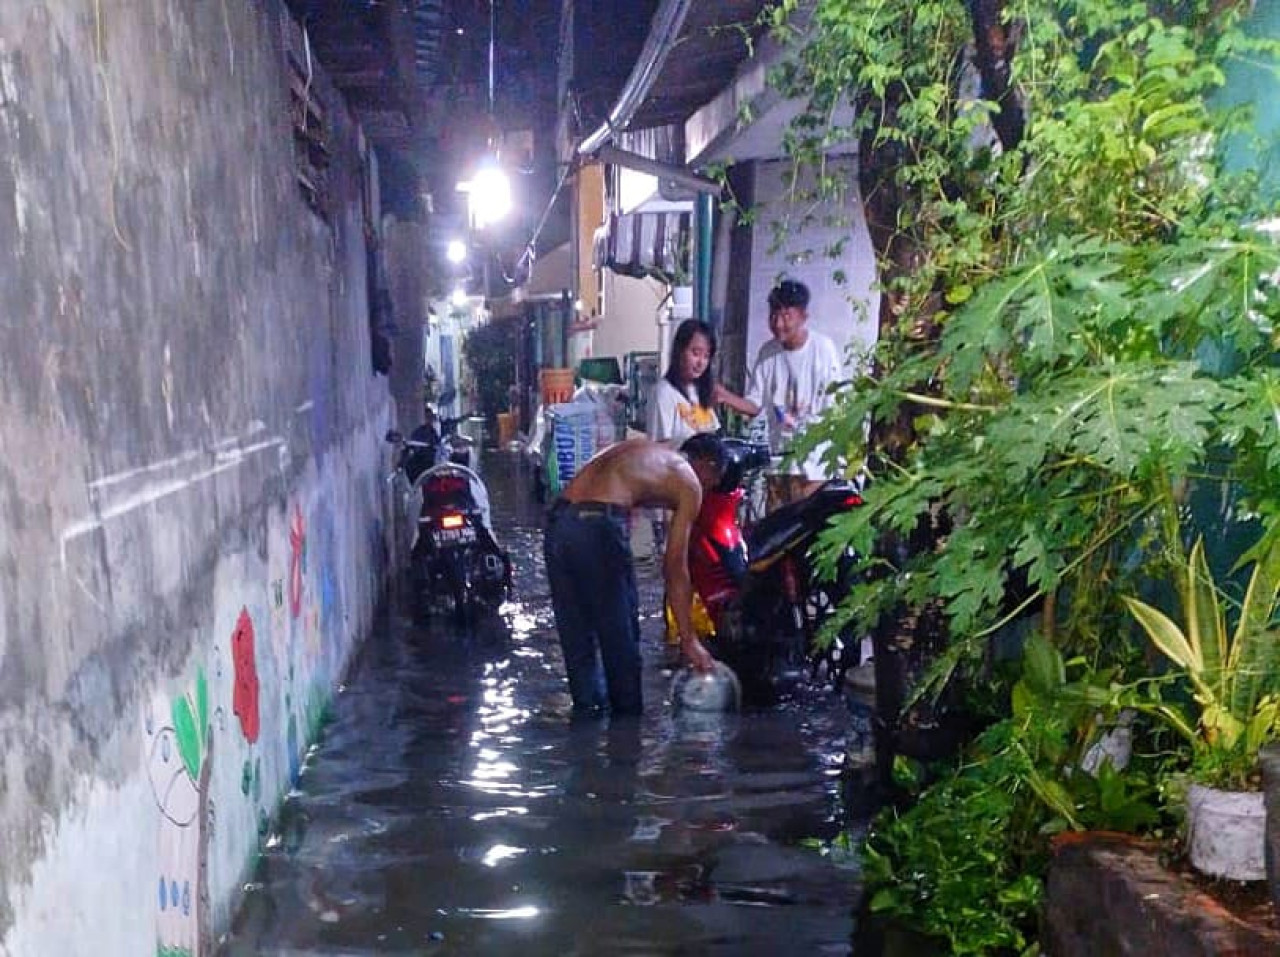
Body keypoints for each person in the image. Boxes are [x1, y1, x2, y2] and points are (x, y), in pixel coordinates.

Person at [543, 435, 725, 717]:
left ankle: (585, 739)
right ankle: (626, 747)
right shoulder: (689, 480)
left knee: (578, 645)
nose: (707, 491)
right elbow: (674, 566)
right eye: (713, 484)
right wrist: (689, 640)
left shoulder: (646, 450)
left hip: (559, 523)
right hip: (597, 526)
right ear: (708, 466)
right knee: (622, 648)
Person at [717, 278, 843, 503]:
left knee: (808, 530)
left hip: (813, 466)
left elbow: (833, 410)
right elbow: (755, 405)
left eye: (787, 316)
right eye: (774, 315)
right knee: (776, 532)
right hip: (779, 463)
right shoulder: (768, 353)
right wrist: (724, 396)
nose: (778, 323)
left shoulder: (823, 350)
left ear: (803, 317)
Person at [648, 319, 721, 444]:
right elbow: (659, 448)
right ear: (680, 351)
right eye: (696, 353)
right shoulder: (664, 393)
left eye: (706, 356)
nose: (701, 363)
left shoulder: (700, 391)